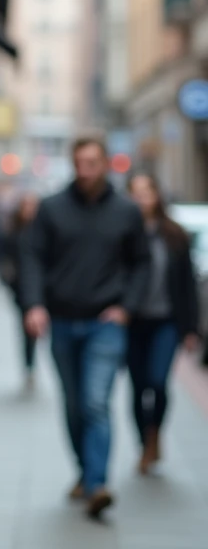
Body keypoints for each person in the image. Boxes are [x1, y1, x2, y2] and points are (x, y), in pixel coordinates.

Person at [21, 135, 151, 518]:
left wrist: (127, 307)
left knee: (96, 401)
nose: (85, 170)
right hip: (61, 321)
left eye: (92, 162)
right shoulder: (51, 209)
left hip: (105, 322)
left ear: (106, 164)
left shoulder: (127, 211)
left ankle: (97, 484)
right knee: (75, 404)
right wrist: (34, 306)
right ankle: (85, 470)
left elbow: (141, 263)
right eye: (79, 163)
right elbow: (32, 258)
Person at [124, 173, 201, 474]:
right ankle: (144, 442)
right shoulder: (124, 234)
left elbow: (188, 285)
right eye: (136, 192)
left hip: (166, 321)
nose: (142, 198)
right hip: (133, 321)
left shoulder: (175, 235)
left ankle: (155, 433)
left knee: (157, 381)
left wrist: (191, 328)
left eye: (147, 192)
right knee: (137, 385)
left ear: (157, 195)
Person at [1, 192, 41, 392]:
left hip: (45, 291)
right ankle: (29, 366)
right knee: (27, 331)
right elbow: (4, 259)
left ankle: (32, 365)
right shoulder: (14, 234)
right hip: (21, 291)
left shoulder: (45, 232)